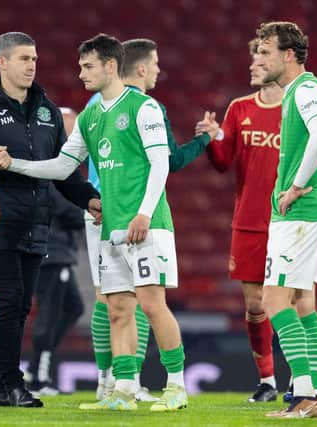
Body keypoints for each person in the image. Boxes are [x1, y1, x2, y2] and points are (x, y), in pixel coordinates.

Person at [0, 33, 190, 412]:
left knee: (152, 303)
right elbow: (64, 166)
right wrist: (11, 163)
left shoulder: (143, 108)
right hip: (110, 227)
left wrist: (145, 212)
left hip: (147, 223)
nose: (80, 73)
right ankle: (124, 390)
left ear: (111, 66)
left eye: (87, 66)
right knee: (117, 308)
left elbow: (161, 162)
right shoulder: (92, 114)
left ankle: (176, 386)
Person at [0, 32, 100, 409]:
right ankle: (14, 383)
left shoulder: (47, 111)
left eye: (34, 58)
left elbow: (63, 171)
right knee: (10, 300)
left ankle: (1, 388)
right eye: (23, 58)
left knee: (19, 307)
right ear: (1, 62)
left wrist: (89, 200)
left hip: (37, 221)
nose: (31, 65)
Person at [85, 38, 219, 402]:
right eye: (155, 64)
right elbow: (169, 161)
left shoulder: (96, 104)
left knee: (115, 302)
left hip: (99, 210)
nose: (159, 69)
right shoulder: (146, 106)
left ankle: (114, 386)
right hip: (127, 211)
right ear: (141, 68)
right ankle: (130, 386)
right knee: (130, 302)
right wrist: (205, 141)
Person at [254, 21, 317, 419]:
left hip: (300, 212)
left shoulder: (304, 89)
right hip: (309, 211)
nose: (259, 58)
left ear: (288, 54)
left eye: (265, 51)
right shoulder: (302, 92)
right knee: (303, 302)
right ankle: (313, 391)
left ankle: (303, 396)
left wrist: (298, 185)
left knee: (272, 299)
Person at [205, 39, 284, 403]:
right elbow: (222, 161)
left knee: (290, 302)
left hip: (287, 220)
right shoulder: (239, 108)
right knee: (256, 305)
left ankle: (303, 380)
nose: (252, 64)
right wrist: (211, 138)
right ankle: (267, 380)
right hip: (249, 220)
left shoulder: (298, 109)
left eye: (260, 57)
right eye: (252, 57)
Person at [25, 110, 86, 393]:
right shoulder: (53, 164)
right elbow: (64, 207)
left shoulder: (59, 162)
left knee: (73, 307)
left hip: (57, 250)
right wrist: (94, 210)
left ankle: (39, 364)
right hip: (52, 250)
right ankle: (39, 377)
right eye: (72, 130)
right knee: (49, 314)